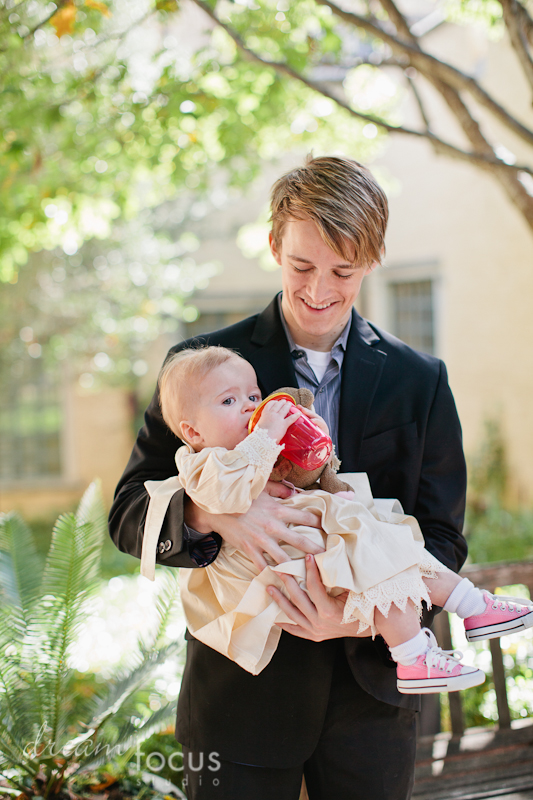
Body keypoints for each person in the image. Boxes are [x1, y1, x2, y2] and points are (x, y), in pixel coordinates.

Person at [109, 155, 475, 798]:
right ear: (275, 243)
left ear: (374, 257)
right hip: (236, 708)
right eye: (302, 266)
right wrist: (212, 515)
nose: (318, 290)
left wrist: (358, 617)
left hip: (372, 707)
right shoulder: (200, 369)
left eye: (344, 271)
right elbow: (127, 514)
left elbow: (441, 539)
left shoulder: (422, 383)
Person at [140, 345, 532, 689]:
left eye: (253, 395)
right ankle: (416, 654)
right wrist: (266, 437)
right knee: (375, 555)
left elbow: (301, 475)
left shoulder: (249, 449)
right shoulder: (202, 463)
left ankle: (470, 608)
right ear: (192, 431)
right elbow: (226, 492)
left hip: (310, 552)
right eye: (228, 402)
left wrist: (309, 444)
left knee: (392, 546)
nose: (247, 406)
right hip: (279, 571)